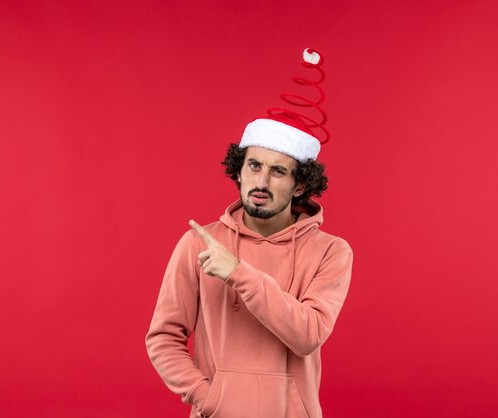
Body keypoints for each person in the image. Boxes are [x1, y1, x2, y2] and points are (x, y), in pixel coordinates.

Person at [145, 49, 353, 418]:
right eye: (253, 166)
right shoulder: (198, 243)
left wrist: (239, 274)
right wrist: (208, 398)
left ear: (301, 185)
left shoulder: (331, 252)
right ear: (238, 171)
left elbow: (307, 335)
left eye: (277, 171)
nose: (260, 181)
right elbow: (163, 338)